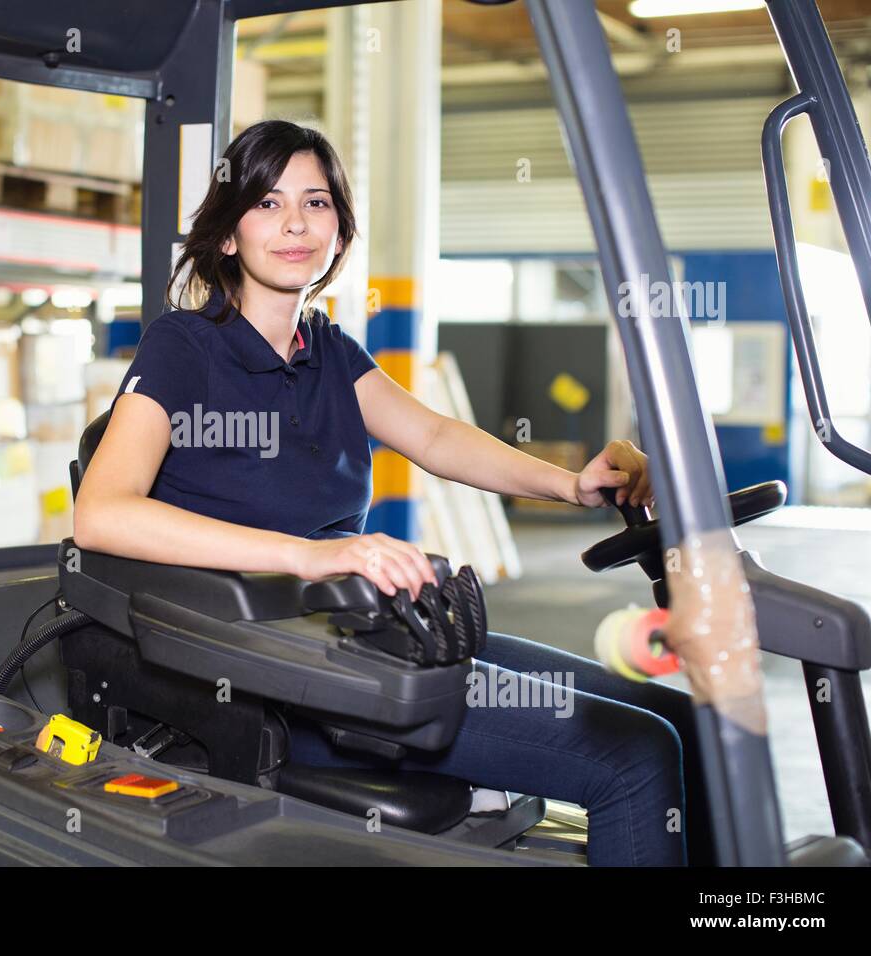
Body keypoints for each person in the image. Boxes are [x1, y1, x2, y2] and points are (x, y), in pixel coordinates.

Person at [74, 120, 708, 867]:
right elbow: (102, 512)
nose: (295, 224)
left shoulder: (330, 353)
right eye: (269, 204)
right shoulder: (182, 348)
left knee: (675, 714)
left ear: (339, 232)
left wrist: (570, 484)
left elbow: (437, 439)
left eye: (316, 203)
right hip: (271, 670)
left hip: (373, 639)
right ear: (227, 235)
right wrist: (314, 556)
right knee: (633, 758)